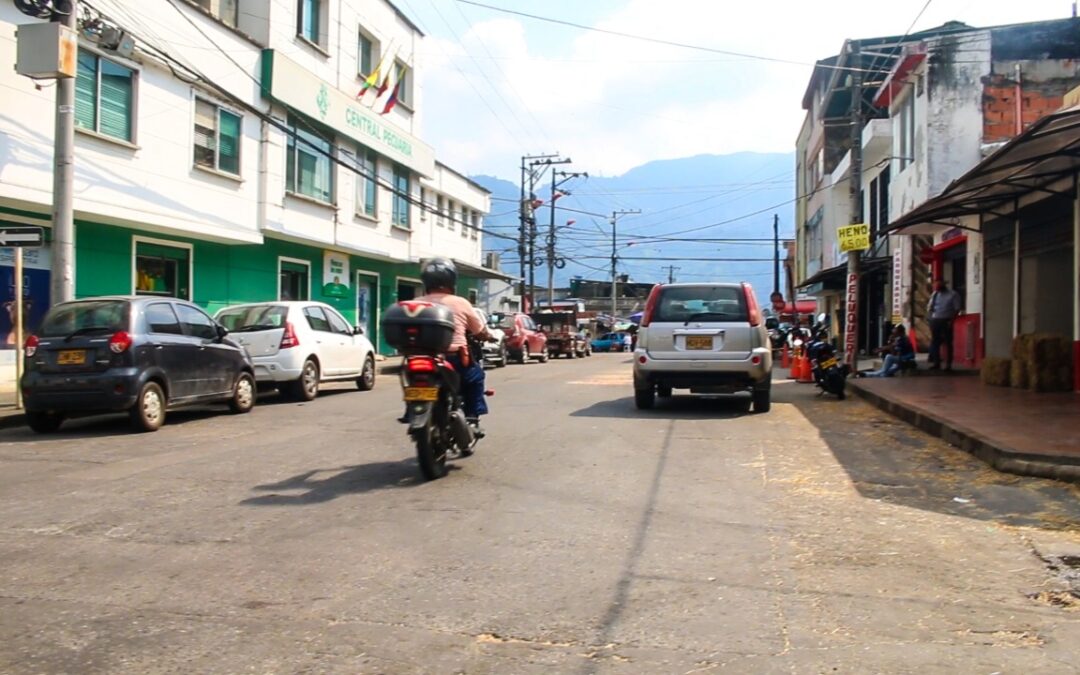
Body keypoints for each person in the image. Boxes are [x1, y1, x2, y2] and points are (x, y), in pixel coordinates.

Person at [413, 258, 493, 429]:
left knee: (415, 380)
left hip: (420, 357)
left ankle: (412, 411)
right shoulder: (460, 303)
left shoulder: (415, 303)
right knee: (476, 378)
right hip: (453, 358)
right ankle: (472, 418)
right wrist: (487, 336)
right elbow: (478, 330)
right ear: (451, 281)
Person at [927, 278, 962, 371]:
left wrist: (951, 321)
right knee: (935, 342)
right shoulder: (935, 294)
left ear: (943, 285)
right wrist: (930, 318)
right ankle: (936, 363)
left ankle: (948, 364)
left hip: (946, 320)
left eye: (939, 285)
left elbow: (957, 309)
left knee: (948, 342)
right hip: (935, 320)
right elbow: (930, 307)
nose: (937, 287)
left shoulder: (953, 294)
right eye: (935, 285)